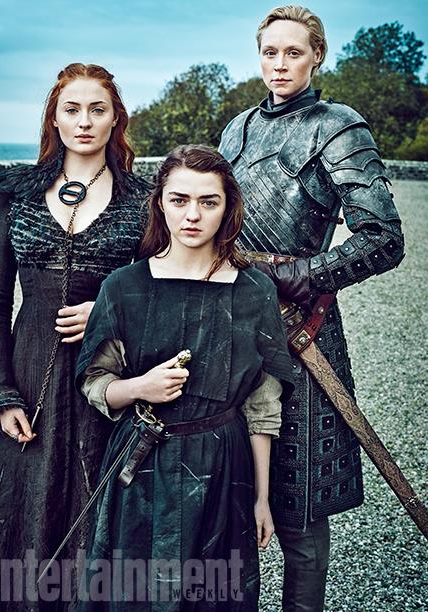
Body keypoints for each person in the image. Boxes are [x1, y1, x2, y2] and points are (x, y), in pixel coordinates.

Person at [219, 5, 405, 611]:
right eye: (269, 52)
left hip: (303, 331)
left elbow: (383, 238)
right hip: (226, 323)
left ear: (316, 56)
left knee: (297, 506)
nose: (279, 64)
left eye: (293, 52)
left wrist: (298, 274)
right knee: (225, 486)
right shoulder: (237, 129)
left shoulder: (339, 127)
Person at [74, 144, 295, 610]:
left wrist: (262, 498)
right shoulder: (124, 287)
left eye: (208, 202)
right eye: (179, 200)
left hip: (224, 469)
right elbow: (95, 381)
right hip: (142, 467)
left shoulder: (254, 291)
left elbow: (262, 407)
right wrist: (140, 388)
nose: (192, 215)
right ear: (160, 203)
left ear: (228, 208)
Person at [0, 63, 150, 610]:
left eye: (98, 109)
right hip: (27, 377)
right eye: (72, 109)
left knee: (93, 517)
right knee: (10, 521)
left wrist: (108, 312)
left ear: (116, 118)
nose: (84, 121)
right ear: (54, 117)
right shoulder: (17, 195)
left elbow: (161, 293)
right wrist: (3, 394)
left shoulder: (143, 200)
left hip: (105, 382)